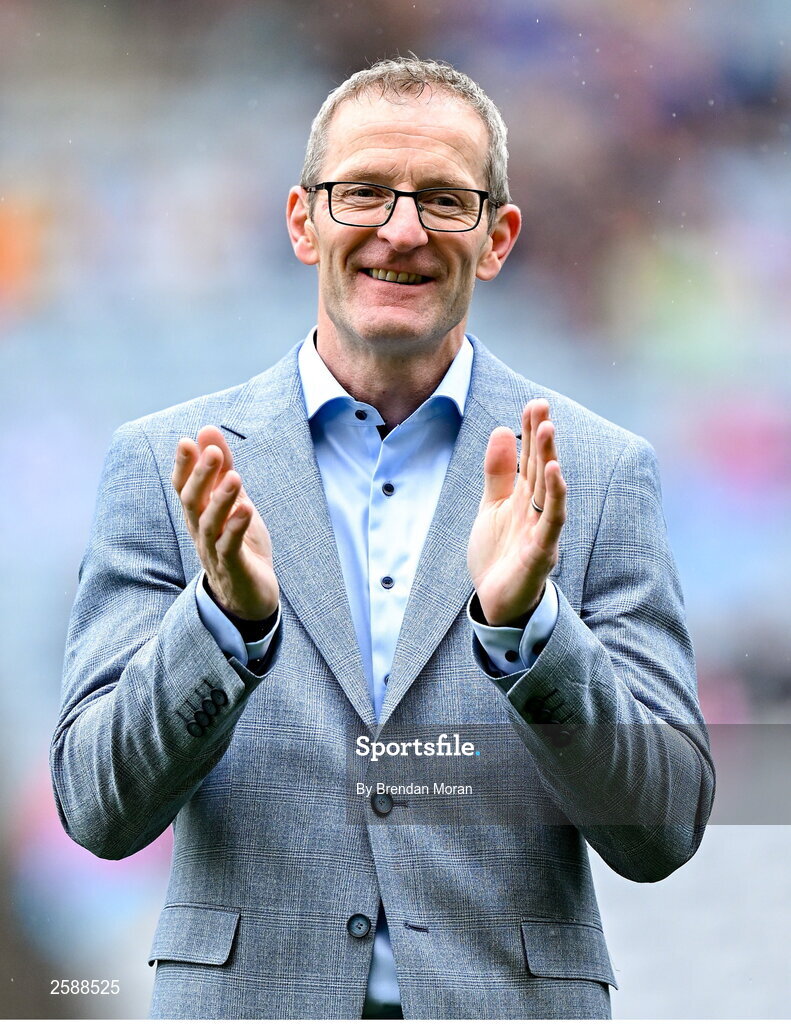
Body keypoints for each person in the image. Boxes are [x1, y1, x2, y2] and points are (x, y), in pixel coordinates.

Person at [51, 57, 714, 1020]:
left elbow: (663, 827)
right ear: (301, 218)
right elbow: (97, 807)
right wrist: (222, 627)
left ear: (496, 238)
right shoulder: (163, 466)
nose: (401, 230)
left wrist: (531, 632)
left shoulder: (599, 475)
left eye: (445, 199)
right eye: (363, 190)